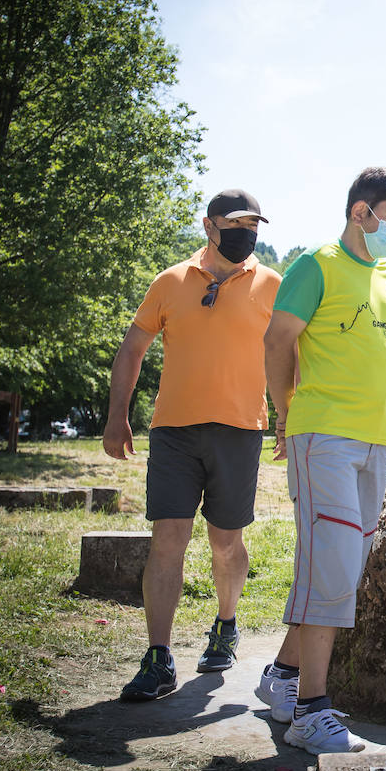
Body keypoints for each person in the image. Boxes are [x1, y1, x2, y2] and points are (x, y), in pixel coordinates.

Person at [259, 167, 386, 755]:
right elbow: (277, 339)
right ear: (361, 212)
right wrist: (284, 410)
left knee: (348, 566)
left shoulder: (385, 275)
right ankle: (310, 708)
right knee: (330, 563)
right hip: (322, 434)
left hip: (377, 439)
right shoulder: (315, 265)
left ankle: (280, 675)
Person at [103, 190, 281, 701]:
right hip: (174, 431)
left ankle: (226, 624)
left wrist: (289, 417)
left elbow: (287, 353)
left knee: (226, 543)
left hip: (240, 430)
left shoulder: (271, 284)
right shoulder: (171, 281)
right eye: (236, 223)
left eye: (255, 225)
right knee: (168, 540)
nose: (247, 233)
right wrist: (117, 418)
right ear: (210, 226)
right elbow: (133, 346)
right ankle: (158, 657)